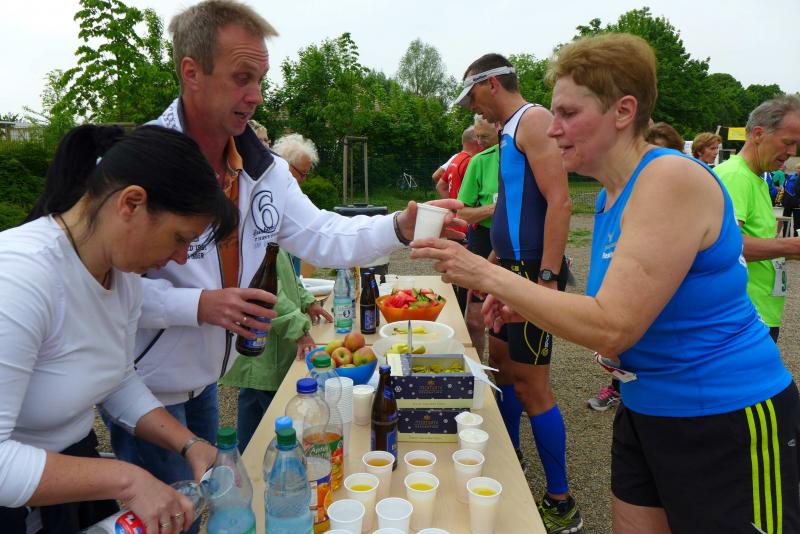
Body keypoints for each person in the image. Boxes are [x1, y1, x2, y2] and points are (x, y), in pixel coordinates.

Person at [412, 33, 800, 533]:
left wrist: (485, 273)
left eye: (568, 113)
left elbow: (614, 327)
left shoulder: (669, 178)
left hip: (724, 413)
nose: (552, 128)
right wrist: (527, 302)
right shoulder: (610, 194)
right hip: (645, 405)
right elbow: (612, 305)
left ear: (623, 111)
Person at [106, 0, 461, 492]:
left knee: (201, 504)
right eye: (241, 78)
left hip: (203, 381)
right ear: (191, 73)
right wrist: (199, 305)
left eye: (260, 79)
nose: (255, 96)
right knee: (167, 511)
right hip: (143, 389)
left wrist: (399, 226)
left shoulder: (262, 169)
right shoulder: (138, 162)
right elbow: (99, 289)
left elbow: (322, 233)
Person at [0, 125, 234, 533]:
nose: (181, 259)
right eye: (180, 238)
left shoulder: (123, 279)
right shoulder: (20, 277)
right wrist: (128, 479)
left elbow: (118, 379)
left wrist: (190, 444)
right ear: (131, 203)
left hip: (70, 478)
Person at [452, 53, 581, 532]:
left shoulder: (534, 120)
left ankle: (561, 500)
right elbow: (510, 208)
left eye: (472, 97)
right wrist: (491, 262)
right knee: (502, 372)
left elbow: (560, 202)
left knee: (532, 386)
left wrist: (544, 281)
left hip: (531, 273)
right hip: (510, 268)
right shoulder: (508, 131)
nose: (472, 109)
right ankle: (510, 466)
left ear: (491, 84)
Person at [220, 132, 332, 452]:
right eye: (302, 173)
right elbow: (265, 288)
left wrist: (308, 302)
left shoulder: (275, 209)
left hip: (273, 343)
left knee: (266, 412)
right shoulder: (255, 210)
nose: (303, 181)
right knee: (260, 418)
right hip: (260, 345)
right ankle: (251, 467)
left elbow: (288, 275)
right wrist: (298, 328)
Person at [715, 95, 800, 342]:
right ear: (758, 134)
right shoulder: (735, 177)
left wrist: (788, 250)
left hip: (757, 314)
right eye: (788, 142)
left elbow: (760, 243)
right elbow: (724, 246)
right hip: (742, 316)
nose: (793, 152)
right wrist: (792, 246)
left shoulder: (758, 179)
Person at [436, 126, 480, 200]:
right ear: (476, 142)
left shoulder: (455, 159)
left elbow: (440, 186)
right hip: (465, 206)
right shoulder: (470, 162)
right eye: (482, 138)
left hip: (457, 206)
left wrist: (451, 204)